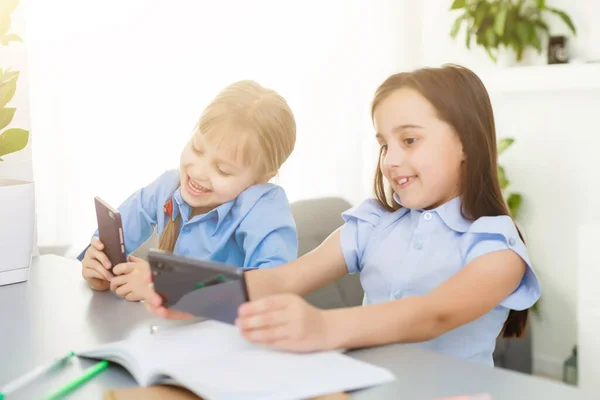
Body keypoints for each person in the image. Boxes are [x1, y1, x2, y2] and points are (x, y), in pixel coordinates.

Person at [146, 65, 541, 366]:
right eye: (384, 144)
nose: (391, 160)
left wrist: (323, 328)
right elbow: (285, 279)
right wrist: (202, 298)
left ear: (465, 143)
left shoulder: (496, 247)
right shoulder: (374, 224)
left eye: (409, 140)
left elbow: (433, 314)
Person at [80, 80, 298, 301]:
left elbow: (272, 288)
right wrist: (100, 265)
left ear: (263, 177)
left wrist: (166, 283)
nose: (199, 172)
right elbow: (116, 235)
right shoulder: (168, 186)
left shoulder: (264, 208)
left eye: (222, 170)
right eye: (197, 148)